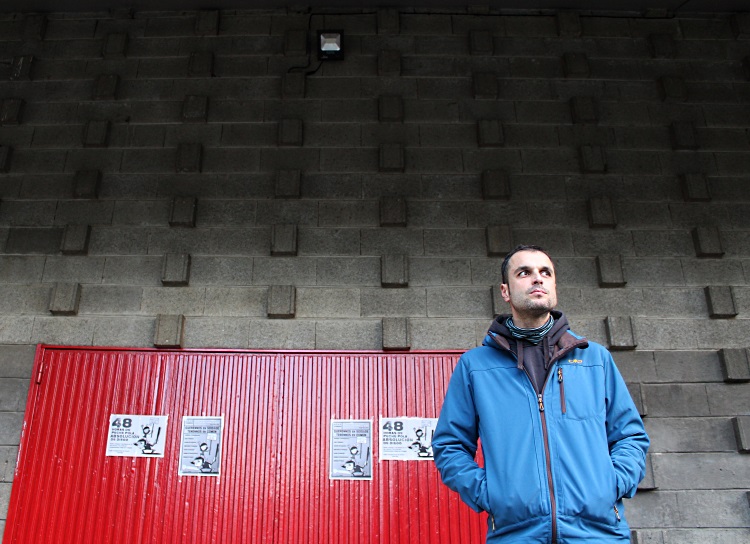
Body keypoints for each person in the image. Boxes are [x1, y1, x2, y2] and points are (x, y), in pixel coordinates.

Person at [432, 245, 649, 543]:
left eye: (545, 272)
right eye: (525, 273)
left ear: (554, 285)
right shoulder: (476, 366)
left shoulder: (594, 359)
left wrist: (610, 485)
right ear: (506, 291)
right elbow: (450, 445)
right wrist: (492, 494)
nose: (538, 279)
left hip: (597, 533)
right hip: (516, 534)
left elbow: (630, 436)